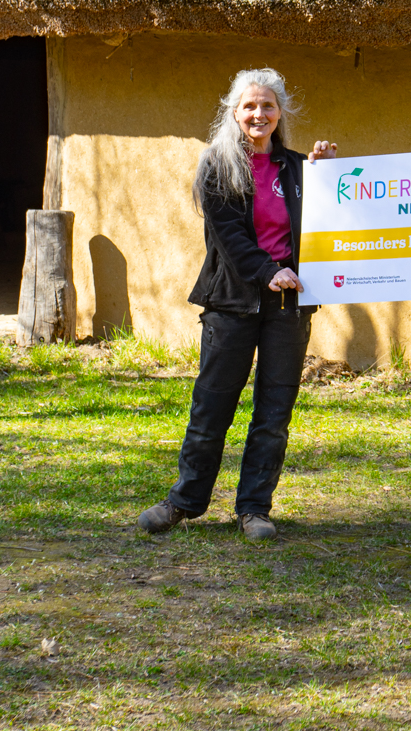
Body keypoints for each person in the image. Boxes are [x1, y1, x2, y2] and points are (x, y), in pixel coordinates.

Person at [138, 68, 337, 542]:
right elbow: (228, 236)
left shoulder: (296, 168)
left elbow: (329, 221)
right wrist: (270, 272)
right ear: (234, 112)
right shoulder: (217, 165)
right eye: (250, 106)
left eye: (268, 105)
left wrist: (326, 173)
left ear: (280, 112)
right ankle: (184, 502)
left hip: (288, 308)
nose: (259, 114)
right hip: (230, 302)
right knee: (212, 407)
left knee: (273, 413)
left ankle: (253, 509)